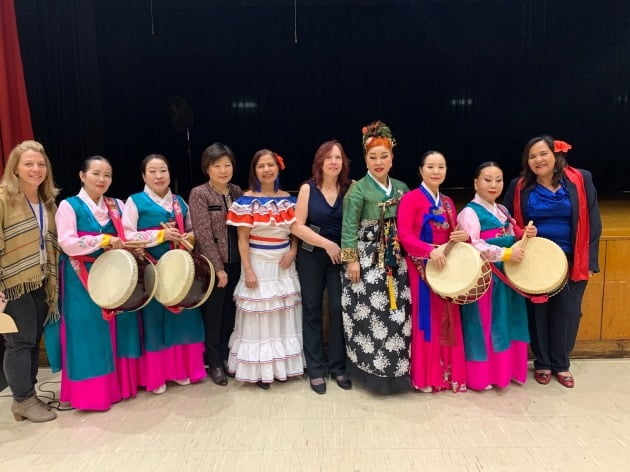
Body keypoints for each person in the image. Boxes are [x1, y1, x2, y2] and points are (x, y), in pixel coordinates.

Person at [504, 136, 601, 388]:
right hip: (536, 260)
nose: (538, 160)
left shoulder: (581, 179)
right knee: (539, 312)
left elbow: (593, 221)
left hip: (573, 257)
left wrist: (589, 259)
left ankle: (562, 363)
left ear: (556, 154)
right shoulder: (519, 186)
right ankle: (543, 362)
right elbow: (507, 222)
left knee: (568, 312)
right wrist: (518, 235)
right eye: (532, 156)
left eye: (543, 153)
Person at [51, 155, 142, 410]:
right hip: (80, 275)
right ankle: (91, 395)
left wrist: (149, 239)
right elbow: (67, 243)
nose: (102, 179)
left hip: (113, 273)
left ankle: (120, 387)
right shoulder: (69, 206)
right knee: (87, 332)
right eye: (96, 173)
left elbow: (131, 235)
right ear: (82, 176)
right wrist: (102, 241)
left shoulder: (118, 205)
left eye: (107, 175)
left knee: (120, 328)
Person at [123, 154, 206, 394]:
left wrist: (186, 236)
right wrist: (160, 236)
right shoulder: (135, 201)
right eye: (153, 171)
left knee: (182, 318)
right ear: (143, 176)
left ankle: (181, 370)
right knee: (155, 320)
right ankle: (157, 375)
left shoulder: (179, 201)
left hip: (179, 270)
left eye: (163, 171)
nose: (159, 176)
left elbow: (192, 230)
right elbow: (127, 235)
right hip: (152, 268)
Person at [340, 121, 411, 394]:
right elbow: (349, 227)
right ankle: (371, 371)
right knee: (369, 316)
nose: (378, 162)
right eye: (372, 157)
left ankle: (396, 371)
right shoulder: (357, 190)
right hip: (367, 261)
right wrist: (351, 260)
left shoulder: (402, 188)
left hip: (395, 261)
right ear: (365, 159)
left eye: (384, 156)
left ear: (392, 157)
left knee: (396, 315)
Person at [226, 149, 303, 389]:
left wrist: (293, 251)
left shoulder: (290, 200)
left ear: (278, 168)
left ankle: (284, 367)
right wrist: (248, 270)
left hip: (284, 263)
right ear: (255, 171)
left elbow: (296, 231)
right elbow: (242, 240)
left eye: (271, 165)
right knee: (260, 317)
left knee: (282, 314)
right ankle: (260, 370)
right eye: (261, 166)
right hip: (258, 264)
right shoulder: (245, 202)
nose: (267, 169)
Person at [457, 162, 536, 391]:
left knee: (507, 322)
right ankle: (482, 377)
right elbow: (474, 246)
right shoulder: (469, 212)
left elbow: (513, 237)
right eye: (487, 179)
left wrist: (525, 235)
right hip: (485, 279)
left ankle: (506, 372)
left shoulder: (502, 211)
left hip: (507, 276)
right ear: (475, 183)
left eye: (498, 180)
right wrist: (507, 252)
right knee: (485, 325)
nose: (493, 185)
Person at [397, 150, 469, 393]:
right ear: (420, 170)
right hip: (421, 266)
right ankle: (427, 376)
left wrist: (460, 237)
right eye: (430, 166)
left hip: (444, 265)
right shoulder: (411, 199)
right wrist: (429, 250)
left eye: (441, 166)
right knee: (427, 319)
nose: (436, 171)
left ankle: (448, 375)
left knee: (449, 317)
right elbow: (404, 236)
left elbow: (452, 236)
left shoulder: (448, 202)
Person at [0, 140, 59, 422]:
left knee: (32, 340)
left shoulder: (46, 202)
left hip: (40, 279)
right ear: (15, 168)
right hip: (12, 283)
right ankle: (22, 400)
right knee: (19, 342)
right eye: (29, 164)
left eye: (40, 164)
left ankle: (28, 395)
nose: (36, 169)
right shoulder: (3, 199)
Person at [292, 140, 352, 394]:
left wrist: (349, 257)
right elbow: (297, 226)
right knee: (313, 309)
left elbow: (353, 228)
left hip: (341, 257)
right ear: (320, 162)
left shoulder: (351, 188)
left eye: (338, 157)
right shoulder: (308, 188)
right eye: (329, 157)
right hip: (311, 254)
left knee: (339, 309)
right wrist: (327, 244)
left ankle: (337, 366)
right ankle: (316, 368)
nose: (334, 162)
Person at [188, 143, 243, 386]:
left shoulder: (237, 191)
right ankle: (215, 363)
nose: (223, 170)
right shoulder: (199, 193)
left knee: (230, 314)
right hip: (214, 266)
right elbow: (203, 234)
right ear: (207, 168)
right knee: (214, 315)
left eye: (227, 165)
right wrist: (218, 268)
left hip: (237, 262)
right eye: (217, 165)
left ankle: (227, 357)